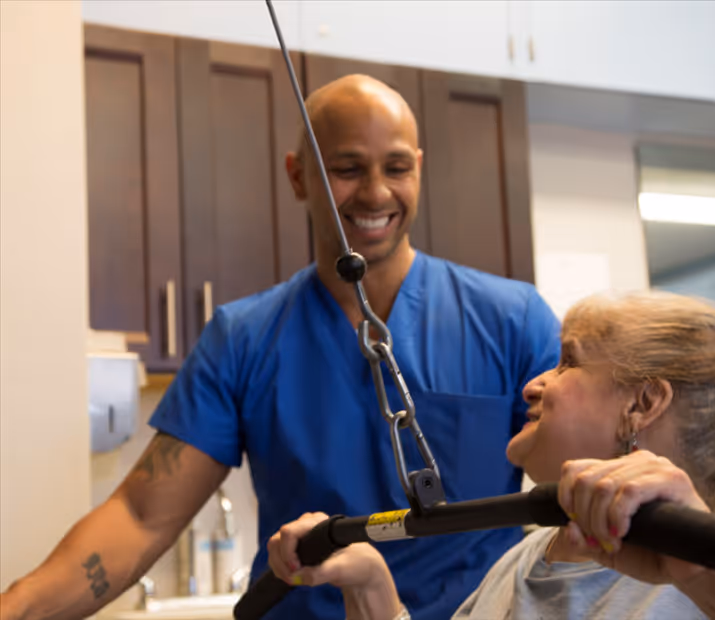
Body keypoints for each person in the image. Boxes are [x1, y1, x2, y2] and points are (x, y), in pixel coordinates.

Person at [0, 75, 561, 620]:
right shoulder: (242, 340)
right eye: (346, 168)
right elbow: (140, 517)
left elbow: (589, 483)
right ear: (298, 177)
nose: (375, 192)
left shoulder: (512, 321)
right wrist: (17, 607)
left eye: (396, 168)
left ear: (419, 167)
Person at [269, 292, 715, 620]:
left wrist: (707, 570)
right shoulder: (531, 554)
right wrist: (371, 588)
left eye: (569, 362)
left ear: (642, 403)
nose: (533, 384)